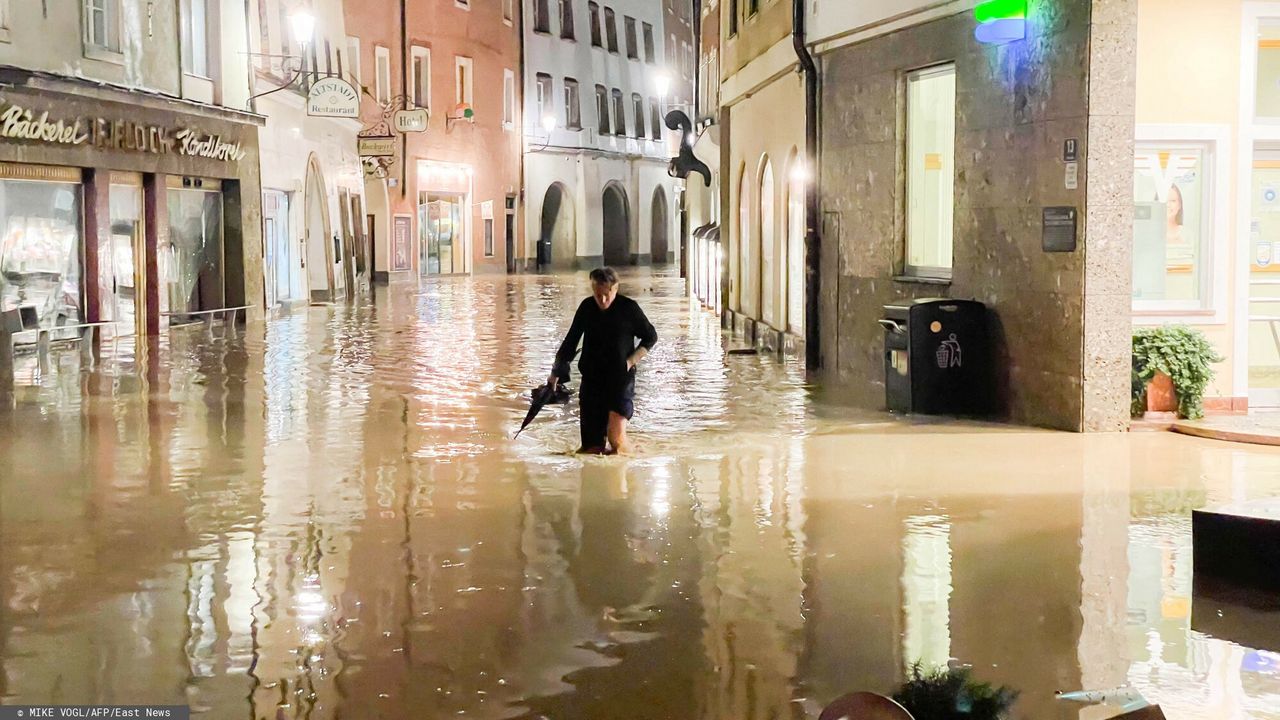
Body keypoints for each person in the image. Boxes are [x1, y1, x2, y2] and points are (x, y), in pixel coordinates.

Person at [549, 267, 658, 455]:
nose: (603, 300)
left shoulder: (629, 309)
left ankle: (625, 464)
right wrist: (555, 373)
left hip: (620, 380)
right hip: (592, 381)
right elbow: (570, 341)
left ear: (615, 288)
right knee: (591, 448)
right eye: (598, 295)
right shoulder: (586, 308)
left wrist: (631, 361)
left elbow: (651, 336)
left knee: (616, 441)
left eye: (607, 294)